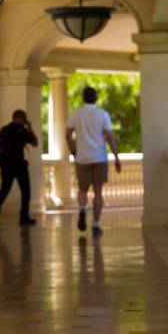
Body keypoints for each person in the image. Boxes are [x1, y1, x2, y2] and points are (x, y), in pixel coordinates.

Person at [65, 86, 121, 236]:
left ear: (83, 98)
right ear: (96, 98)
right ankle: (96, 224)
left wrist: (73, 152)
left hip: (82, 158)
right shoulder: (103, 115)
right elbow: (109, 137)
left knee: (82, 189)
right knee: (98, 192)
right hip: (99, 157)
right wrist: (116, 157)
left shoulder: (76, 114)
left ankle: (82, 209)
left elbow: (67, 136)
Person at [0, 109, 38, 226]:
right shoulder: (22, 130)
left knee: (4, 189)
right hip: (19, 164)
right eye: (24, 119)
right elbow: (35, 142)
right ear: (21, 119)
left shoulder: (4, 130)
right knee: (25, 191)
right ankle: (24, 216)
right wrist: (29, 127)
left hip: (6, 165)